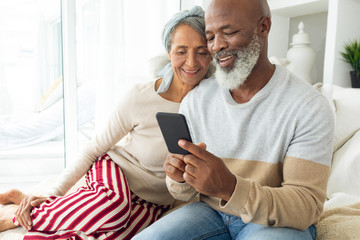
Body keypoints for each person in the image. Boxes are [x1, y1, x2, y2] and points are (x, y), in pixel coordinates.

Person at [0, 6, 213, 240]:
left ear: (211, 54)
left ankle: (31, 201)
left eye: (202, 51)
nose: (191, 62)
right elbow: (92, 150)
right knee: (114, 209)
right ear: (169, 53)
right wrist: (52, 194)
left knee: (108, 235)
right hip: (116, 171)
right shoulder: (140, 96)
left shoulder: (212, 105)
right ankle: (14, 216)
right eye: (181, 51)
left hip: (155, 201)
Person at [132, 0, 334, 239]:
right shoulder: (196, 100)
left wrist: (230, 188)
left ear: (264, 27)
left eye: (229, 33)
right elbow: (183, 193)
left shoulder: (309, 106)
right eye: (210, 37)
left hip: (276, 223)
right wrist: (179, 177)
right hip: (211, 213)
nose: (217, 46)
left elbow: (305, 207)